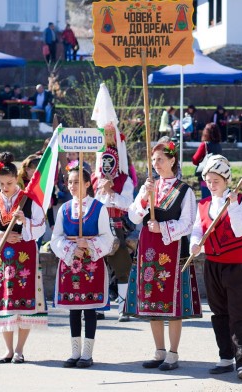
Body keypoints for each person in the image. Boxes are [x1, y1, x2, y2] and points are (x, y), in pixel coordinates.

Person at [125, 142, 201, 371]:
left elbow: (188, 223)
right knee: (152, 301)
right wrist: (145, 199)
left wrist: (164, 228)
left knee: (173, 303)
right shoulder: (149, 186)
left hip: (172, 249)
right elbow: (134, 217)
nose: (155, 164)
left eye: (160, 159)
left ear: (172, 161)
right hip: (149, 250)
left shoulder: (184, 191)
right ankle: (158, 351)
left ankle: (173, 353)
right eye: (153, 160)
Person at [0, 152, 48, 364]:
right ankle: (8, 349)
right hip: (1, 258)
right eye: (1, 183)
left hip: (24, 257)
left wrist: (24, 220)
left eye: (9, 182)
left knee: (24, 301)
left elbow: (41, 228)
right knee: (4, 301)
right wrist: (2, 235)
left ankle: (19, 349)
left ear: (16, 179)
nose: (5, 187)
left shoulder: (28, 200)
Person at [189, 155, 242, 379]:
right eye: (208, 180)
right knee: (219, 312)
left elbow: (238, 230)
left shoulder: (241, 201)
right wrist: (194, 244)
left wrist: (233, 204)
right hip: (212, 265)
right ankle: (225, 357)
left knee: (238, 313)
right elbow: (198, 228)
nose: (211, 184)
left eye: (215, 180)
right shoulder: (204, 204)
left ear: (226, 180)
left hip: (235, 266)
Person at [50, 164, 114, 368]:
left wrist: (89, 245)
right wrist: (70, 249)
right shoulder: (64, 209)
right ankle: (74, 352)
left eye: (77, 181)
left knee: (89, 308)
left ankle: (87, 353)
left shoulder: (98, 208)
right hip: (71, 264)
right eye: (69, 182)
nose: (72, 185)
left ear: (87, 183)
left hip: (92, 265)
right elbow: (55, 238)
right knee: (74, 309)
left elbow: (108, 238)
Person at [92, 123, 135, 322]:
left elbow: (127, 204)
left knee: (122, 266)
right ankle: (99, 307)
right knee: (99, 265)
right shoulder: (93, 179)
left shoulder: (124, 180)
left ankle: (122, 307)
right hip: (97, 226)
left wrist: (111, 193)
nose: (107, 165)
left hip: (116, 224)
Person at [192, 122, 222, 199]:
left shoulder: (204, 145)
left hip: (206, 177)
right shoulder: (219, 146)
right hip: (217, 176)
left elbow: (195, 160)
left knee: (206, 201)